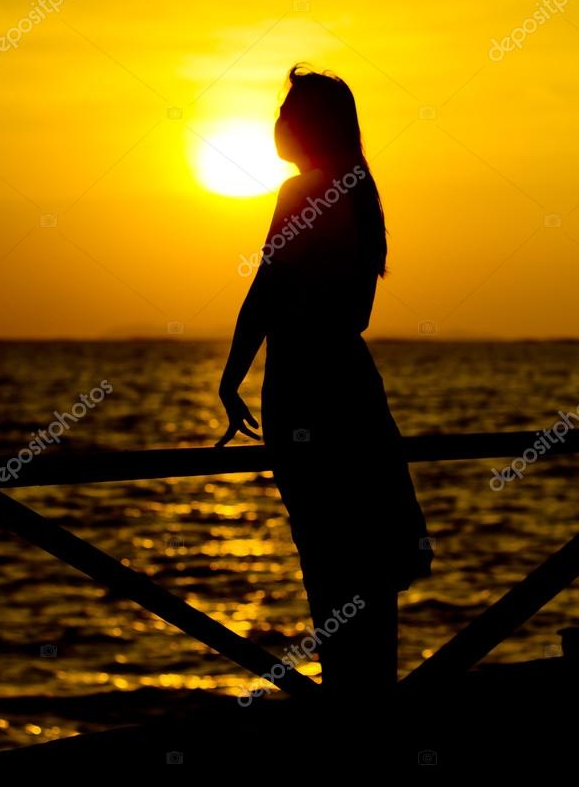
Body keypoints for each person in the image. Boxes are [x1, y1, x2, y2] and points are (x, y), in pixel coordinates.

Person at [215, 65, 432, 711]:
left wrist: (231, 377)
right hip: (353, 387)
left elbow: (264, 292)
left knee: (328, 557)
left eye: (287, 111)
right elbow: (355, 312)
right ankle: (372, 709)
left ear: (310, 125)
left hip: (305, 389)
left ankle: (348, 712)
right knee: (368, 557)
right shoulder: (362, 191)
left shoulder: (299, 191)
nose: (276, 122)